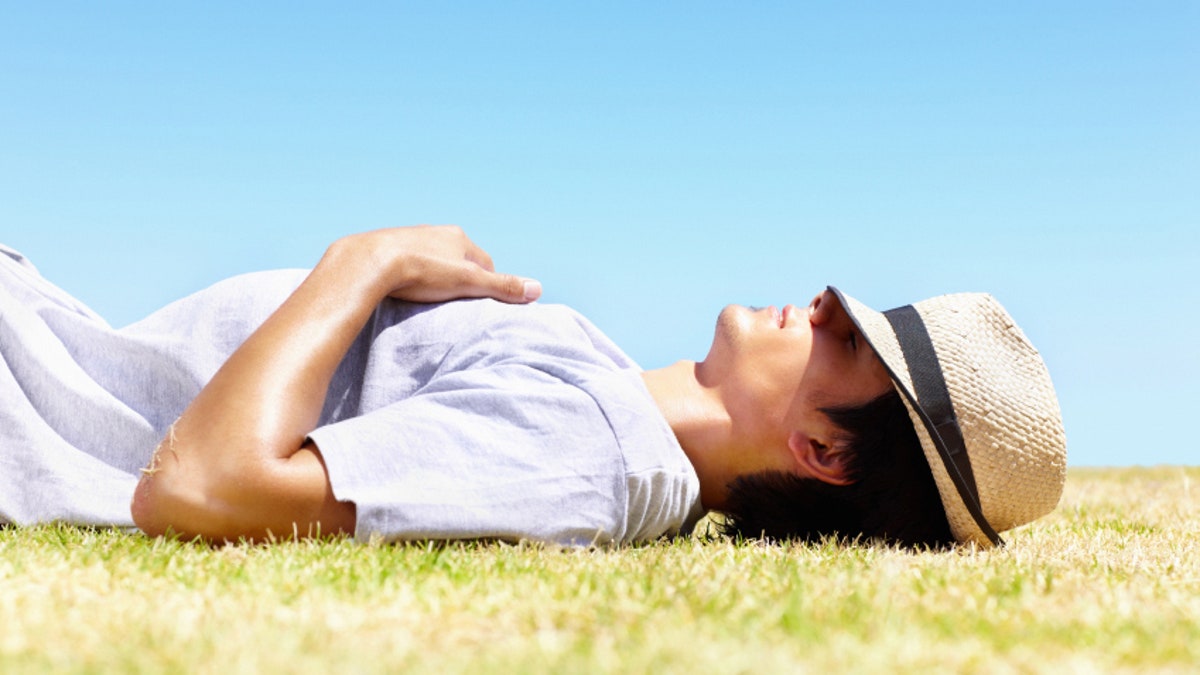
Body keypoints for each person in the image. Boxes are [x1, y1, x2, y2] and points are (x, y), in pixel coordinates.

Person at [0, 226, 1067, 548]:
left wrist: (362, 262)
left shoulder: (593, 450)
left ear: (824, 454)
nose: (826, 306)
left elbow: (202, 492)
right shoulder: (607, 399)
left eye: (854, 349)